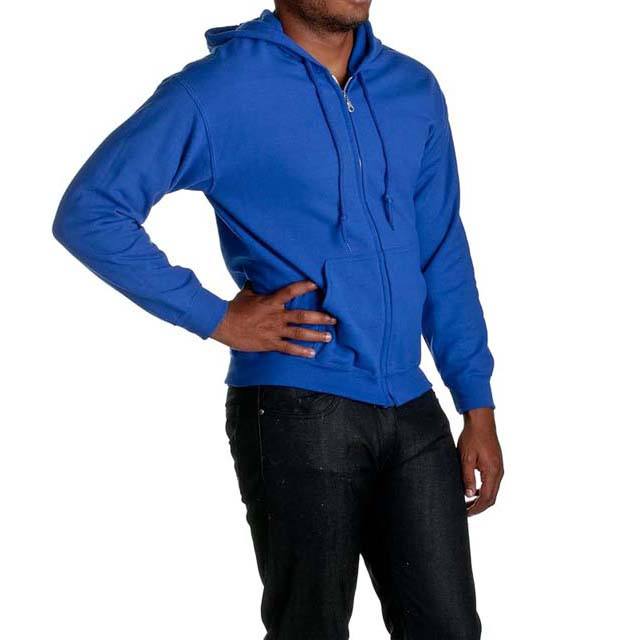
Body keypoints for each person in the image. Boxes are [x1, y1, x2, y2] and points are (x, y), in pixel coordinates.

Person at [53, 1, 504, 637]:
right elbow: (91, 212)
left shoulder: (413, 87)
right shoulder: (217, 90)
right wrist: (215, 317)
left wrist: (476, 401)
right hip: (297, 404)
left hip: (410, 402)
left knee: (450, 628)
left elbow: (441, 248)